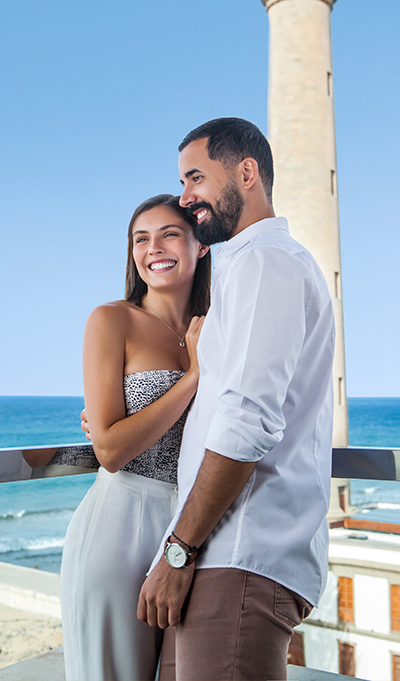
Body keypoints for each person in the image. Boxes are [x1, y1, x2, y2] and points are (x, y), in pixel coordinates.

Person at [138, 118, 335, 681]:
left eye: (196, 176)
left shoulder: (267, 262)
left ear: (246, 172)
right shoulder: (246, 267)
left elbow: (247, 422)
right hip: (217, 556)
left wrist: (178, 549)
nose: (185, 197)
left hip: (239, 559)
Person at [60, 193, 211, 681]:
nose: (154, 248)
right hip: (120, 526)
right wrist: (192, 378)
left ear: (200, 245)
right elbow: (109, 449)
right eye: (140, 239)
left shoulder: (221, 324)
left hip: (195, 526)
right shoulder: (112, 320)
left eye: (169, 233)